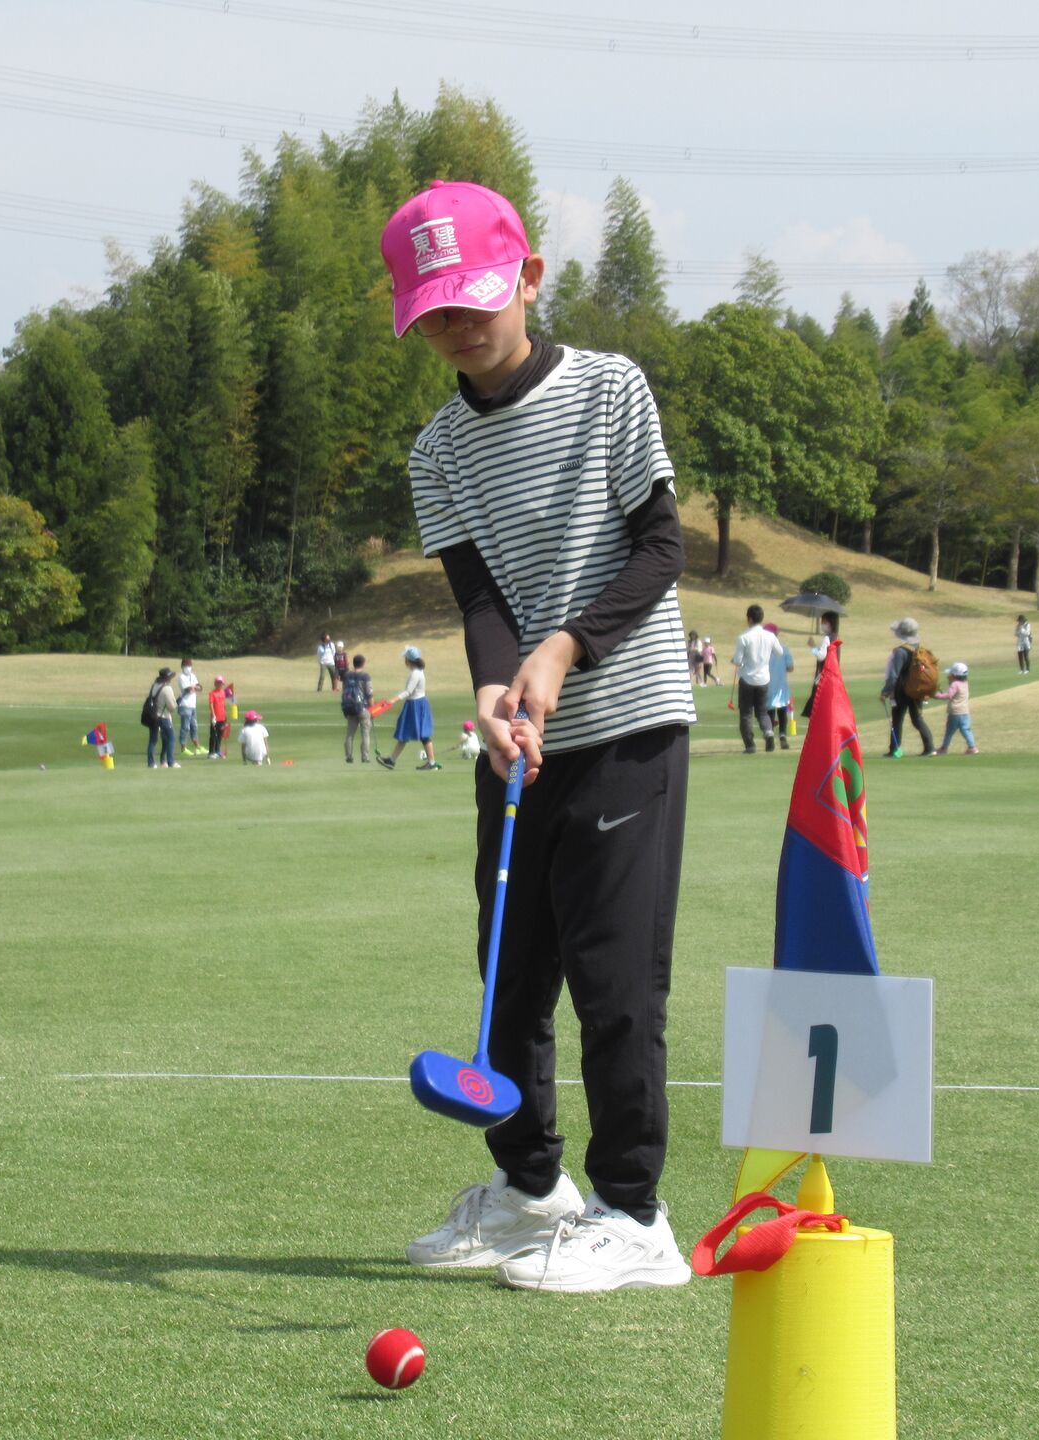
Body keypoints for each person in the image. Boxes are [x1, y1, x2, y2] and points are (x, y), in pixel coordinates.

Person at [385, 179, 696, 1292]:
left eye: (474, 297)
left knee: (615, 984)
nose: (459, 328)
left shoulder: (611, 389)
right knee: (509, 978)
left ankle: (635, 1215)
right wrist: (490, 685)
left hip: (626, 720)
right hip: (521, 739)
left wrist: (564, 649)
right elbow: (477, 596)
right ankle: (529, 1193)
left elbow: (661, 548)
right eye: (434, 311)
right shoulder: (436, 452)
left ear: (528, 276)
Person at [731, 604, 787, 753]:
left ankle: (750, 744)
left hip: (747, 679)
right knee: (762, 712)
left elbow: (737, 660)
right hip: (763, 679)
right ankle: (768, 732)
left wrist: (736, 660)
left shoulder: (743, 637)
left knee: (746, 713)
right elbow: (780, 652)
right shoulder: (770, 636)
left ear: (749, 619)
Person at [881, 617, 936, 759]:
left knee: (897, 719)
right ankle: (929, 747)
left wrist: (885, 691)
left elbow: (894, 675)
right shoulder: (919, 649)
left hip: (902, 691)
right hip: (917, 689)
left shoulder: (900, 651)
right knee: (917, 718)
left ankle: (895, 749)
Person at [380, 645, 438, 771]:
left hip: (415, 705)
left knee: (418, 734)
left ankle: (431, 763)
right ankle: (392, 760)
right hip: (417, 704)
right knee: (407, 734)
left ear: (408, 660)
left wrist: (393, 700)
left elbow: (408, 691)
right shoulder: (418, 672)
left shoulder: (415, 674)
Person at [932, 661, 978, 755]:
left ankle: (944, 748)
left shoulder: (955, 684)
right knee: (966, 730)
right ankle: (972, 747)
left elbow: (949, 695)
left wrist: (936, 695)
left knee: (949, 732)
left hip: (955, 713)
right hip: (965, 712)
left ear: (955, 675)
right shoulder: (965, 683)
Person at [762, 622, 794, 749]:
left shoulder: (763, 651)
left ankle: (769, 734)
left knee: (769, 712)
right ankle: (782, 736)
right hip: (781, 686)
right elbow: (790, 668)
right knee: (782, 712)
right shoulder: (784, 650)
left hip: (766, 685)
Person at [340, 653, 374, 763]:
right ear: (363, 664)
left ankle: (348, 756)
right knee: (365, 734)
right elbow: (369, 694)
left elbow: (344, 692)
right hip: (362, 708)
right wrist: (372, 709)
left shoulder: (347, 676)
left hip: (350, 707)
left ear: (354, 664)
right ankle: (365, 757)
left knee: (350, 734)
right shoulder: (365, 676)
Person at [145, 666, 179, 769]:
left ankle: (151, 763)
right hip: (163, 717)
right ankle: (171, 762)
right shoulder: (167, 688)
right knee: (171, 738)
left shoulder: (154, 686)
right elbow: (172, 706)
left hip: (152, 716)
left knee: (153, 740)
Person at [176, 658, 201, 755]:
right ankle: (183, 747)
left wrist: (193, 687)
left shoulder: (193, 676)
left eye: (189, 666)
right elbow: (187, 690)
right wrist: (194, 687)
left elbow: (200, 687)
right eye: (186, 666)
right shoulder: (181, 677)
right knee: (185, 727)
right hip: (185, 704)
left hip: (192, 705)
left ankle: (197, 746)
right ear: (182, 667)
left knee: (194, 726)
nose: (188, 668)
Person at [206, 675, 229, 760]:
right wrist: (213, 715)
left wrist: (225, 716)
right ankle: (211, 752)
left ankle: (217, 750)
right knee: (213, 735)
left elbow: (223, 705)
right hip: (215, 718)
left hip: (222, 717)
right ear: (215, 683)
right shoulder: (212, 693)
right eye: (218, 683)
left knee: (220, 735)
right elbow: (211, 705)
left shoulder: (223, 692)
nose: (220, 684)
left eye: (221, 683)